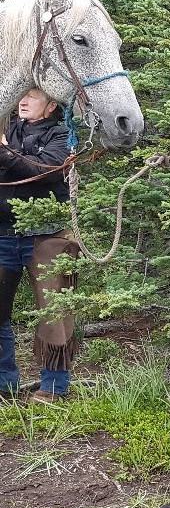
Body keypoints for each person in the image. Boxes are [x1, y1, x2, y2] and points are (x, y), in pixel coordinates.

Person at [0, 88, 80, 403]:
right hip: (4, 233)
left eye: (32, 96)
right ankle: (5, 385)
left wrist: (5, 154)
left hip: (48, 237)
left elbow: (43, 172)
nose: (23, 100)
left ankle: (54, 388)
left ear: (50, 106)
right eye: (22, 95)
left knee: (54, 313)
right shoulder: (10, 130)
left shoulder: (62, 136)